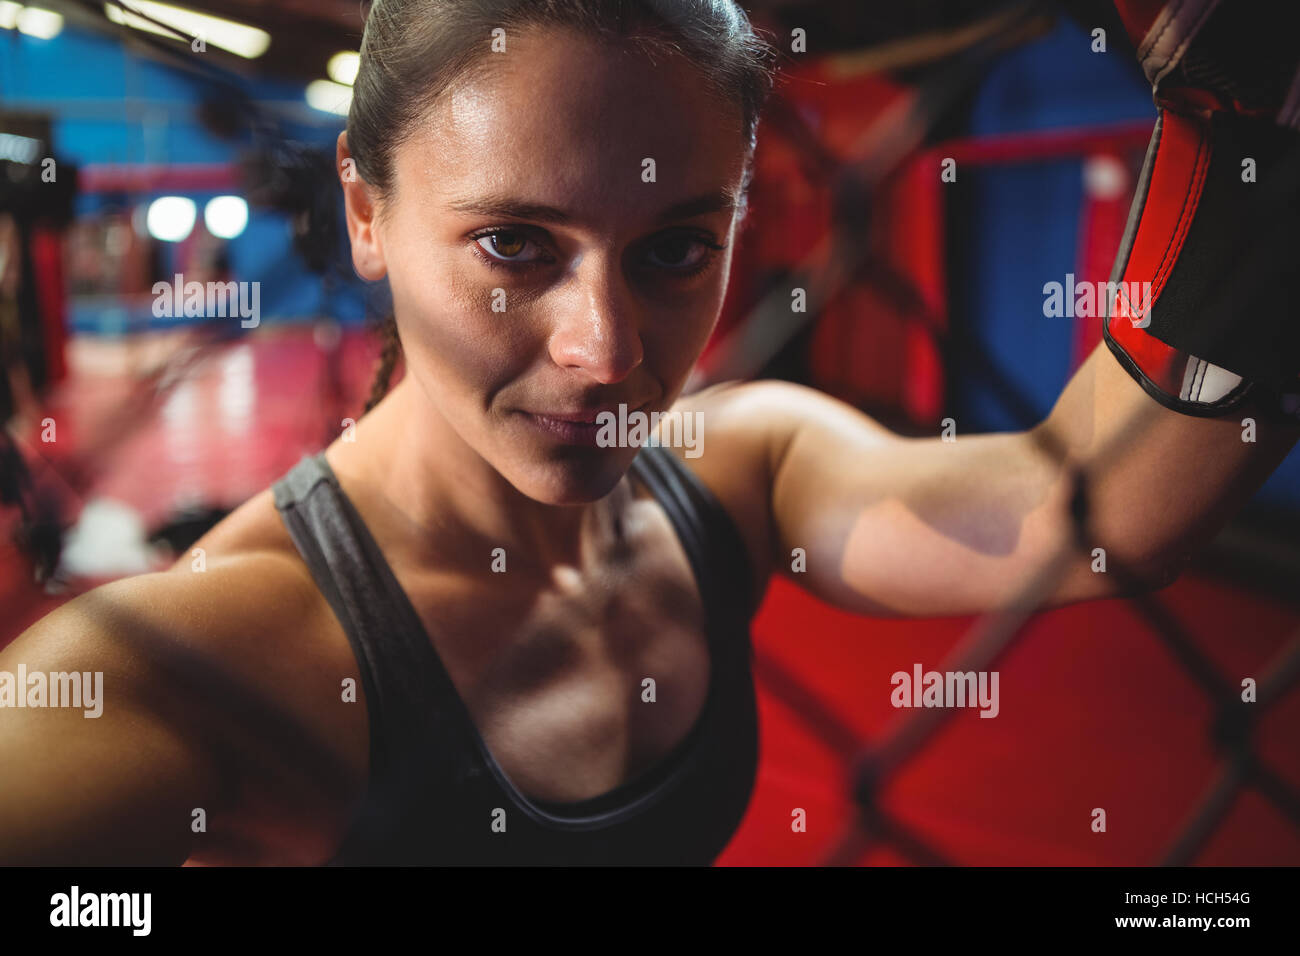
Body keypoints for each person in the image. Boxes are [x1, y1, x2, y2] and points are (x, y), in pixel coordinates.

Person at [1, 0, 1297, 865]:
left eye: (679, 248)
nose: (607, 352)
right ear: (366, 209)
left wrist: (1250, 160)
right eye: (515, 244)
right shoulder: (190, 660)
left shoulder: (741, 468)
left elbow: (1102, 511)